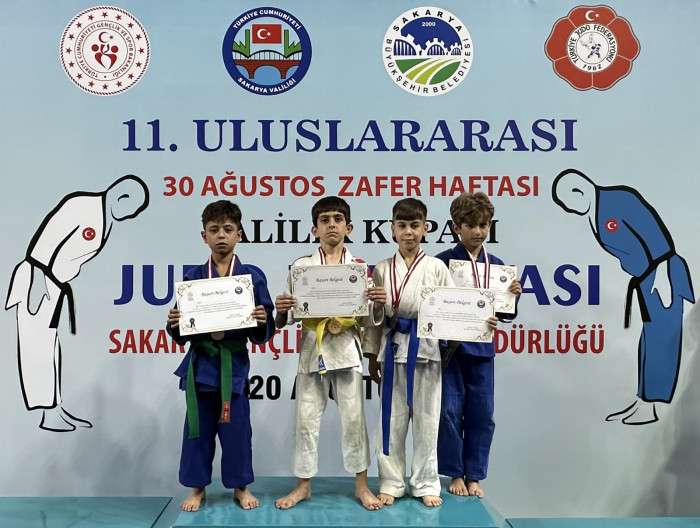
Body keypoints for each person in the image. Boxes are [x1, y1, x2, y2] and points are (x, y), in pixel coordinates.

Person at [5, 175, 149, 431]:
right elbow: (46, 239)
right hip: (38, 279)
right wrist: (37, 282)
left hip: (54, 285)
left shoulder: (105, 219)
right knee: (36, 348)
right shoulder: (80, 206)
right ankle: (48, 414)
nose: (130, 215)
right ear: (120, 195)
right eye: (131, 209)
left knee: (50, 348)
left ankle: (55, 409)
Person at [552, 169, 694, 424]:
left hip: (663, 273)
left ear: (579, 189)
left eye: (569, 203)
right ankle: (643, 400)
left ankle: (652, 405)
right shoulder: (596, 213)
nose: (570, 209)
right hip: (646, 278)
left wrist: (663, 274)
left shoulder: (620, 200)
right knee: (649, 338)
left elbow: (654, 233)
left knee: (663, 337)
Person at [274, 196, 386, 511]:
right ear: (314, 229)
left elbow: (368, 319)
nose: (332, 225)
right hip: (314, 349)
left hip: (347, 349)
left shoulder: (360, 269)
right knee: (306, 420)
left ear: (349, 227)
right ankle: (303, 485)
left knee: (354, 419)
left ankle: (361, 485)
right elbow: (287, 318)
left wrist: (378, 303)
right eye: (325, 220)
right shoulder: (301, 268)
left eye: (338, 219)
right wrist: (281, 309)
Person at [166, 200, 275, 512]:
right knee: (197, 431)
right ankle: (197, 488)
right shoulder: (193, 277)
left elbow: (264, 328)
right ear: (204, 236)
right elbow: (181, 330)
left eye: (228, 229)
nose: (222, 235)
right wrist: (174, 323)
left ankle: (241, 487)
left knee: (237, 431)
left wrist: (262, 318)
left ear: (239, 234)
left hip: (234, 368)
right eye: (214, 230)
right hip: (201, 367)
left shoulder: (252, 276)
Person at [363, 198, 451, 508]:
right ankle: (391, 481)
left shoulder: (437, 268)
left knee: (428, 421)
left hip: (426, 350)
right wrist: (371, 355)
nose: (409, 232)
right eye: (402, 226)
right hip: (392, 349)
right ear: (392, 230)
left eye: (415, 225)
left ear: (425, 228)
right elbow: (374, 317)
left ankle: (426, 481)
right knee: (392, 420)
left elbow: (451, 311)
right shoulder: (381, 269)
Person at [435, 192, 522, 498]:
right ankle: (455, 472)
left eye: (483, 225)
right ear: (456, 227)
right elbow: (431, 305)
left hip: (482, 350)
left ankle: (475, 475)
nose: (478, 231)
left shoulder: (497, 267)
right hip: (449, 350)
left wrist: (513, 296)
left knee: (482, 414)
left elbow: (505, 314)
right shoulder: (441, 263)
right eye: (470, 225)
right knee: (448, 411)